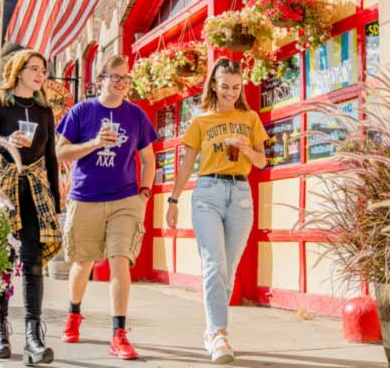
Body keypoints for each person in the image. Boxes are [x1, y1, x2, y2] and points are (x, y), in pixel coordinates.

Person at [166, 57, 267, 365]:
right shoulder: (200, 121)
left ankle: (212, 330)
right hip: (207, 193)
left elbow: (261, 162)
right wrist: (173, 200)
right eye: (225, 87)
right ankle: (219, 333)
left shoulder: (250, 119)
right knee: (214, 264)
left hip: (240, 193)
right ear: (213, 84)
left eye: (236, 88)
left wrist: (248, 149)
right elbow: (186, 165)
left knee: (229, 267)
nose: (230, 93)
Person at [56, 55, 157, 360]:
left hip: (125, 199)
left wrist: (144, 193)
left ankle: (119, 333)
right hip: (86, 196)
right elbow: (60, 151)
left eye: (126, 79)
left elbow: (149, 160)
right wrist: (94, 143)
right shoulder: (82, 111)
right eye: (115, 78)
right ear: (99, 80)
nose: (122, 84)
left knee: (119, 260)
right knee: (83, 262)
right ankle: (73, 314)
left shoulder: (136, 115)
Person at [0, 49, 61, 366]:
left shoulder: (43, 111)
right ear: (19, 70)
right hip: (4, 190)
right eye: (35, 68)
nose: (41, 75)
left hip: (35, 192)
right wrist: (7, 141)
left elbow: (50, 156)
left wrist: (56, 201)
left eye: (44, 70)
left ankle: (34, 336)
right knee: (4, 263)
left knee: (34, 263)